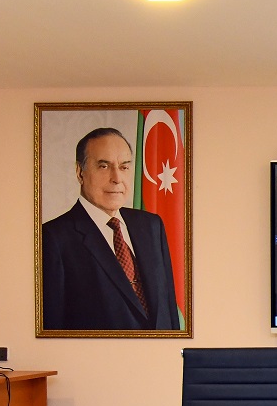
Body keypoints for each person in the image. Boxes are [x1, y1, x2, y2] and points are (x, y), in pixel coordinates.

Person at [40, 128, 179, 331]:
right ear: (80, 172)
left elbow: (169, 311)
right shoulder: (53, 238)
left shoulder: (151, 226)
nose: (116, 178)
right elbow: (52, 330)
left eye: (124, 167)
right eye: (104, 166)